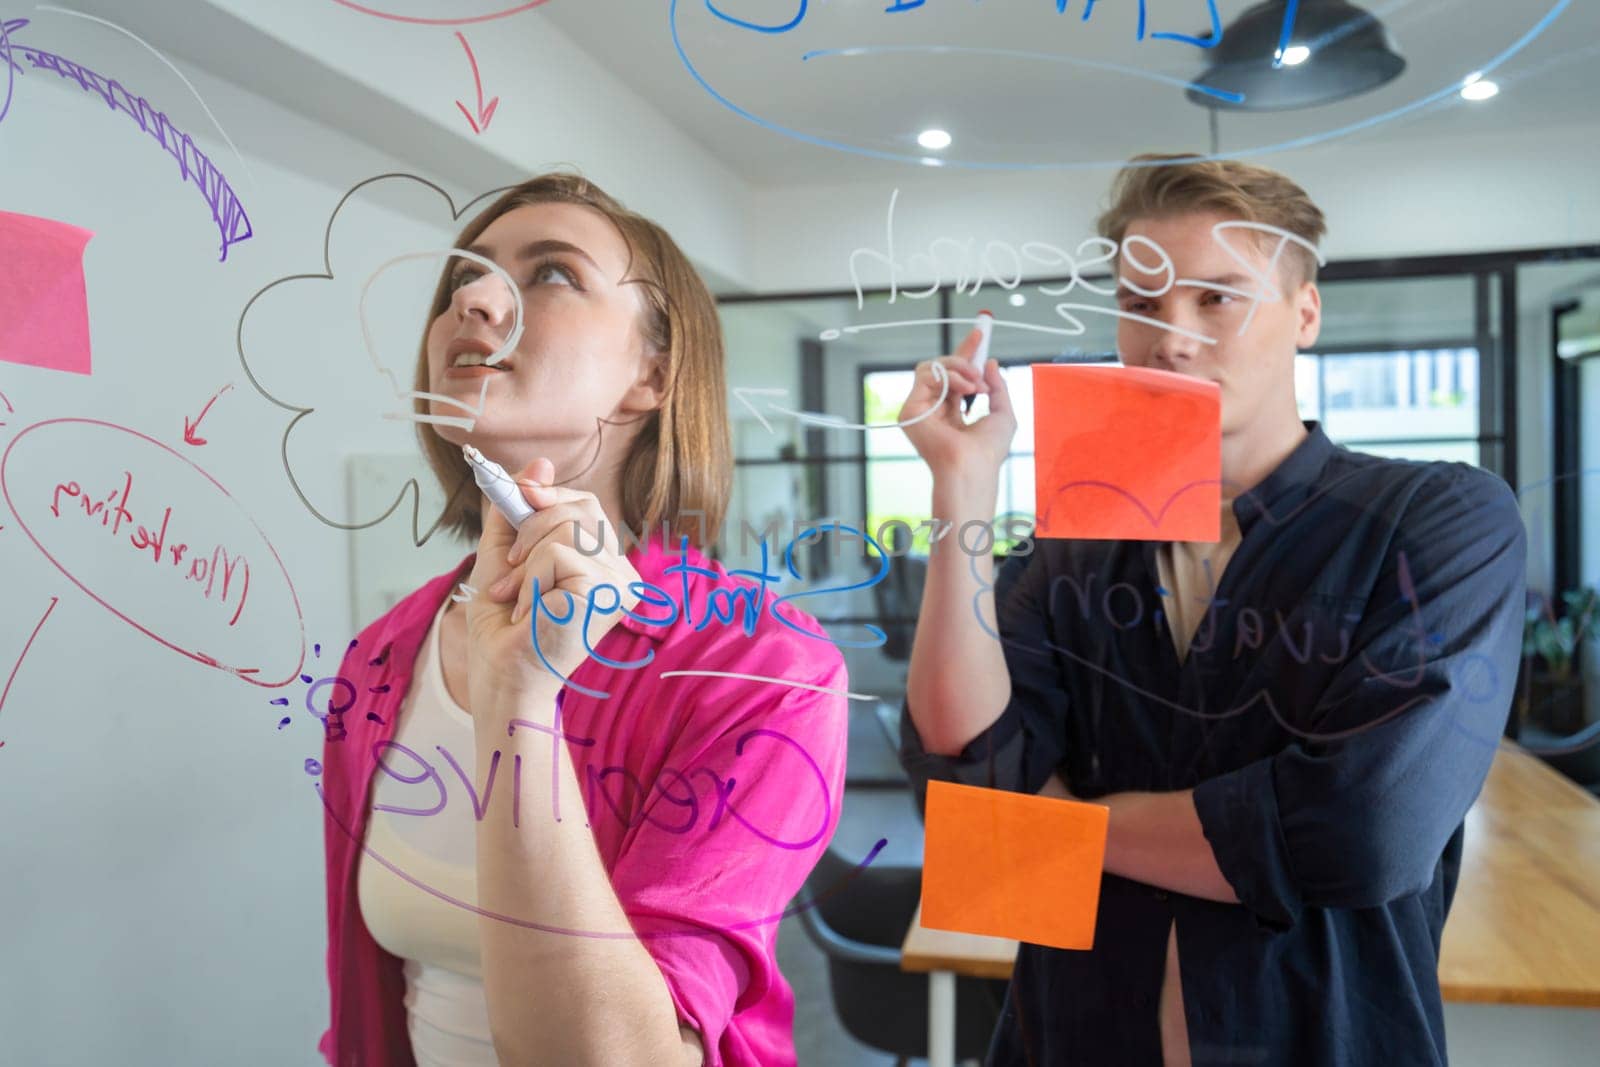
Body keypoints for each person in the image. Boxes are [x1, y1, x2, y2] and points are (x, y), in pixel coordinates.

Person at [895, 154, 1526, 1066]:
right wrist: (963, 489)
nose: (1172, 340)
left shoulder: (1434, 519)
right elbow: (966, 794)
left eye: (1217, 298)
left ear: (1304, 312)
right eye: (1142, 306)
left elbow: (1364, 831)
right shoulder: (1075, 548)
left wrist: (1061, 833)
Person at [315, 174, 849, 1066]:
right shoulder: (379, 658)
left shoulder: (764, 671)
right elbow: (366, 1014)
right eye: (464, 280)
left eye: (551, 274)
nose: (472, 302)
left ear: (654, 373)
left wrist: (519, 694)